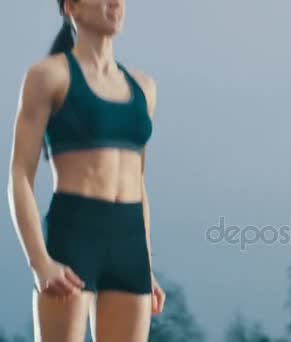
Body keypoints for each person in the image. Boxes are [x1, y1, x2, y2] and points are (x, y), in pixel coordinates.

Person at [7, 1, 165, 341]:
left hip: (129, 244)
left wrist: (146, 265)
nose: (116, 3)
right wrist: (39, 262)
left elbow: (139, 182)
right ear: (72, 7)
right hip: (73, 240)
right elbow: (19, 176)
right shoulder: (48, 76)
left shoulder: (144, 89)